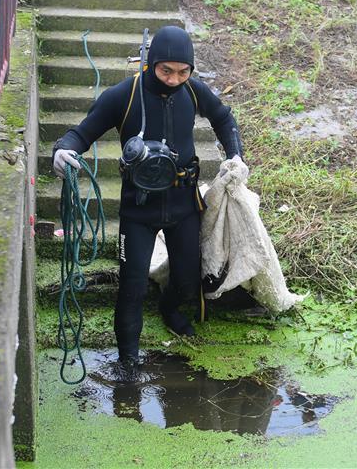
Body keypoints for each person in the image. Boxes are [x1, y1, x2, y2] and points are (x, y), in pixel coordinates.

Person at [52, 26, 244, 367]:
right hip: (138, 209)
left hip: (184, 204)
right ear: (150, 63)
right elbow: (81, 133)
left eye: (183, 72)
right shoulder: (124, 96)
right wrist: (63, 151)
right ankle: (127, 362)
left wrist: (235, 155)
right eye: (165, 71)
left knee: (186, 281)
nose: (173, 79)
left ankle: (168, 309)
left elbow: (223, 117)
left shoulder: (194, 92)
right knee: (132, 287)